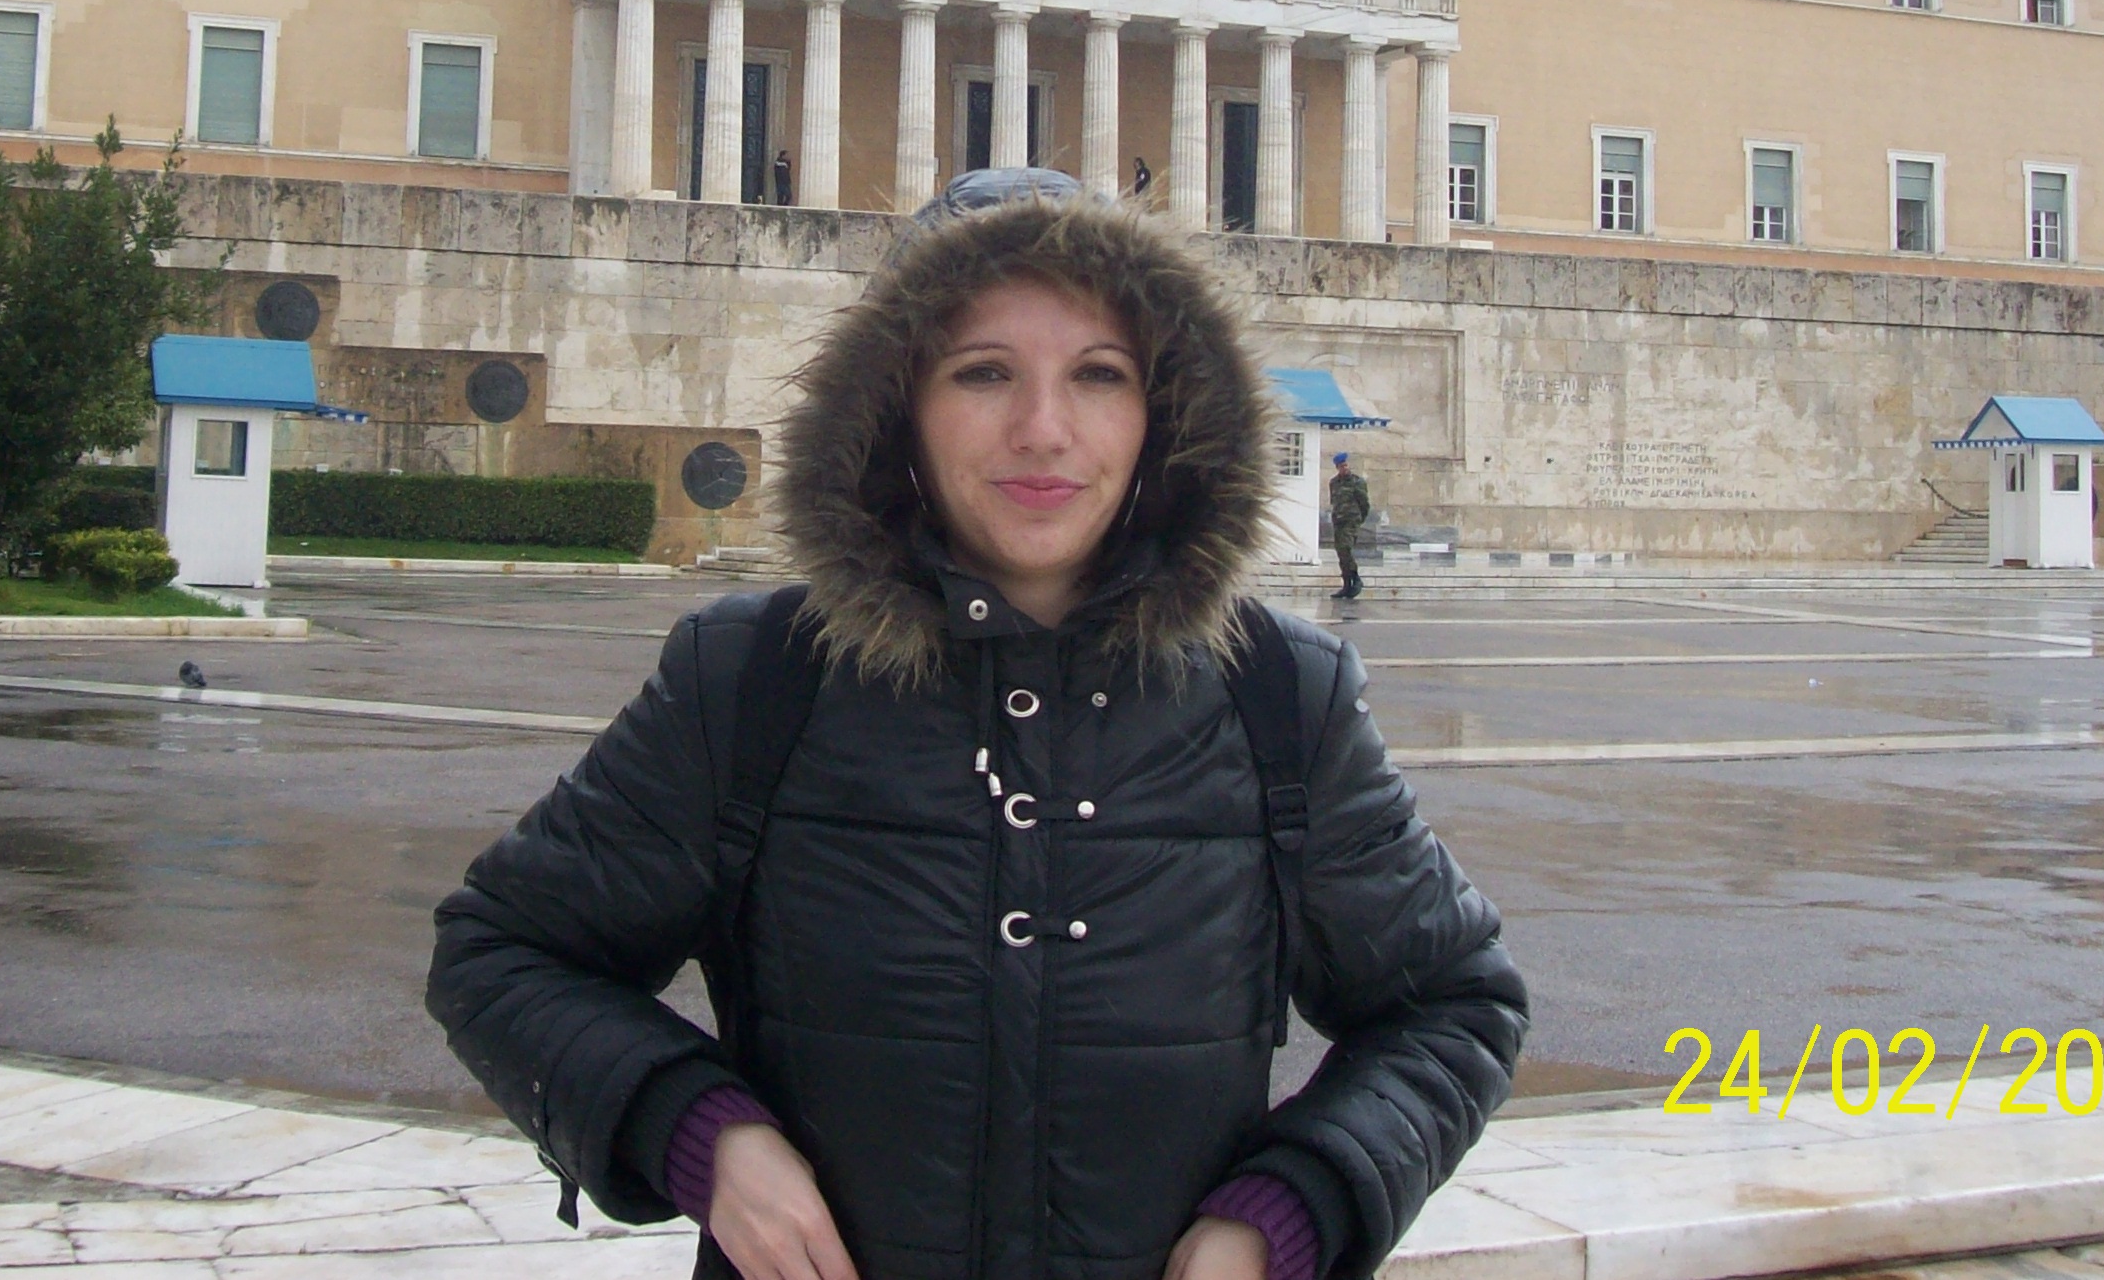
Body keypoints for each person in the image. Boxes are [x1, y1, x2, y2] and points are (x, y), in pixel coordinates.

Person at [429, 171, 1526, 1280]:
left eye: (1099, 374)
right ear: (898, 403)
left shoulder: (1281, 695)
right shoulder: (754, 679)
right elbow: (505, 952)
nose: (1043, 430)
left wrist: (1290, 1209)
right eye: (983, 372)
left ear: (1164, 412)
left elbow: (1454, 1005)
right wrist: (701, 1136)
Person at [1328, 451, 1371, 600]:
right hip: (1339, 522)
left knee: (1346, 548)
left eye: (1346, 465)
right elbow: (1334, 502)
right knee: (1341, 553)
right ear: (1337, 467)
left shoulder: (1357, 482)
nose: (1344, 468)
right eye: (1341, 466)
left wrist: (1358, 519)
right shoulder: (1334, 483)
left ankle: (1356, 578)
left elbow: (1364, 504)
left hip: (1351, 521)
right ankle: (1347, 584)